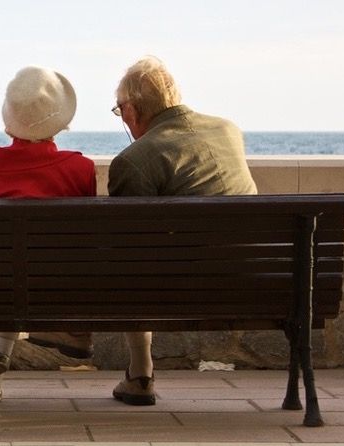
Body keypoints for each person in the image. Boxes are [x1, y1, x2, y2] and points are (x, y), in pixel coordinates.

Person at [107, 56, 258, 405]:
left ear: (131, 110)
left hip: (178, 290)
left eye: (119, 111)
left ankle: (140, 372)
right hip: (254, 278)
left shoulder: (134, 160)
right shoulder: (229, 131)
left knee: (126, 259)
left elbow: (130, 249)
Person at [0, 66, 96, 402]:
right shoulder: (78, 170)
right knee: (17, 269)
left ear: (9, 121)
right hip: (54, 284)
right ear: (60, 123)